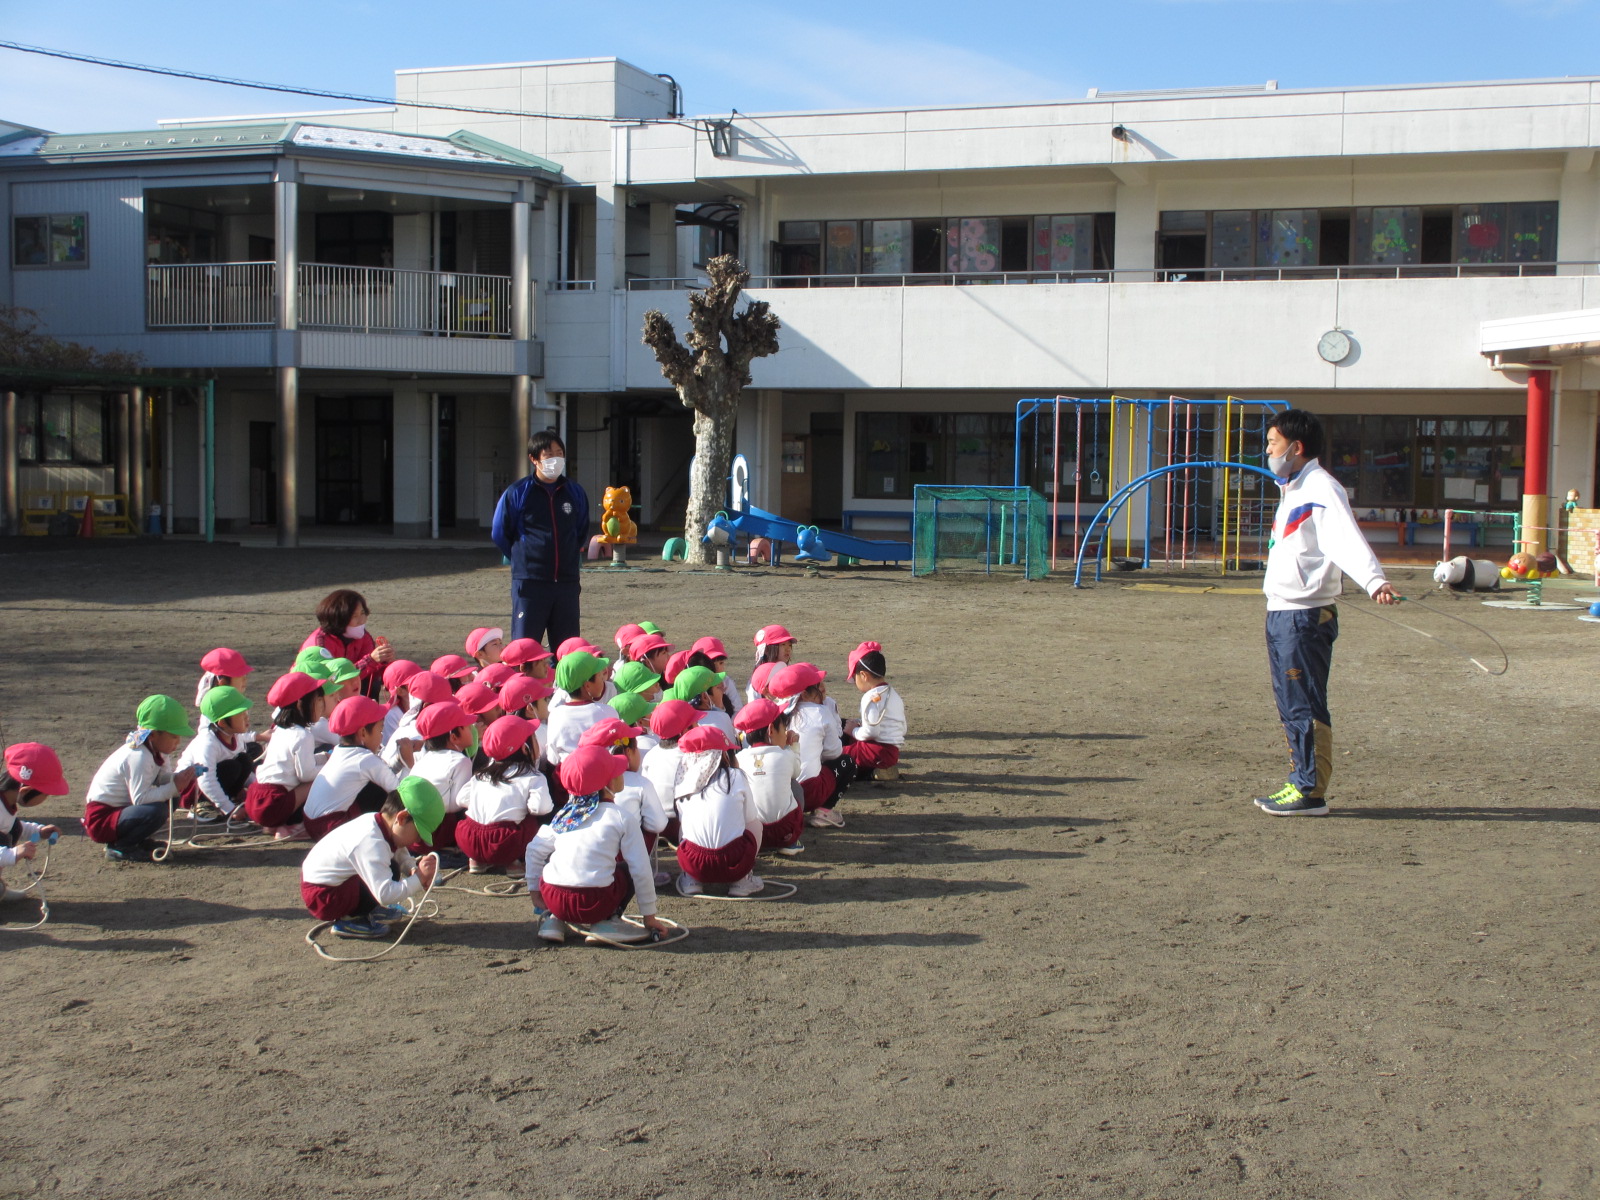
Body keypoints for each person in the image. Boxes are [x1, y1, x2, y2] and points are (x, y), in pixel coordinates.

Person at [1256, 408, 1398, 817]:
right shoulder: (1294, 488)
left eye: (1273, 443)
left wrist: (1374, 581)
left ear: (1296, 447)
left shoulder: (1321, 487)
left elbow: (1344, 539)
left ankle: (1310, 791)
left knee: (1304, 701)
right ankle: (1299, 778)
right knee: (1289, 701)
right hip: (1282, 611)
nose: (1268, 450)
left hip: (1305, 615)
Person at [523, 744, 667, 945]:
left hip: (554, 899)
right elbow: (641, 870)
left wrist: (535, 892)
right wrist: (649, 918)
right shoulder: (621, 817)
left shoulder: (564, 815)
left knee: (557, 866)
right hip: (595, 902)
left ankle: (554, 920)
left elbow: (534, 850)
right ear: (607, 782)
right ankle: (606, 921)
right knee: (626, 870)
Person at [299, 778, 443, 940]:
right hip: (324, 896)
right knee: (386, 872)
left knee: (390, 868)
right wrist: (419, 878)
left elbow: (399, 851)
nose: (417, 841)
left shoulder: (377, 822)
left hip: (327, 885)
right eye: (418, 833)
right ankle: (350, 919)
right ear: (401, 818)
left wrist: (411, 868)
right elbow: (385, 893)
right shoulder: (371, 841)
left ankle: (365, 910)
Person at [491, 429, 590, 654]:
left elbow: (581, 529)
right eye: (549, 455)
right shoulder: (518, 492)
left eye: (560, 453)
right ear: (534, 459)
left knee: (568, 651)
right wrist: (525, 555)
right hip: (530, 583)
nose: (556, 459)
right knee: (525, 650)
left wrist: (568, 554)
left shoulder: (574, 492)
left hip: (566, 583)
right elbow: (500, 533)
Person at [83, 696, 198, 862]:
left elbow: (162, 779)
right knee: (157, 810)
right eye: (173, 736)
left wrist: (180, 778)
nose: (178, 742)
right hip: (102, 820)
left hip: (121, 812)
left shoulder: (156, 751)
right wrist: (174, 786)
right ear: (152, 735)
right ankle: (121, 846)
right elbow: (140, 798)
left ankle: (137, 840)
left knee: (172, 797)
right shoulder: (139, 756)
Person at [672, 725, 764, 897]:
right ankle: (742, 880)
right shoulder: (736, 776)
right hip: (732, 862)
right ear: (721, 754)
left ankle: (691, 879)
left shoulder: (684, 781)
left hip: (694, 862)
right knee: (755, 824)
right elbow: (750, 818)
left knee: (683, 827)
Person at [456, 714, 552, 874]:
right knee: (532, 823)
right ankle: (512, 863)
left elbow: (461, 799)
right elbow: (541, 809)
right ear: (524, 748)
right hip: (505, 844)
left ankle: (478, 861)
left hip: (469, 840)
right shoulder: (532, 777)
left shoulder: (481, 775)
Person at [302, 697, 399, 840]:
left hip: (311, 823)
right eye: (380, 729)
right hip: (330, 827)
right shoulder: (365, 759)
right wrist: (407, 760)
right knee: (384, 794)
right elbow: (399, 790)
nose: (382, 735)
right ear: (363, 733)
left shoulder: (339, 750)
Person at [244, 672, 326, 838]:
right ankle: (295, 827)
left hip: (256, 799)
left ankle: (275, 825)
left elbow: (293, 766)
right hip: (273, 803)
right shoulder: (303, 735)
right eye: (317, 700)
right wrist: (329, 766)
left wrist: (324, 756)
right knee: (318, 781)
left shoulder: (281, 731)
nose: (321, 705)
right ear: (300, 704)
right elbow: (306, 774)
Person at [179, 686, 266, 822]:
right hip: (192, 791)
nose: (246, 718)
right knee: (232, 766)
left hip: (215, 784)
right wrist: (230, 809)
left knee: (244, 760)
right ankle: (200, 806)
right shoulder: (207, 743)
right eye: (241, 715)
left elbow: (246, 770)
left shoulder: (235, 737)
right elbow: (206, 780)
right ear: (222, 722)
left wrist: (258, 789)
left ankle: (226, 798)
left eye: (246, 713)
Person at [733, 699, 805, 856]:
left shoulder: (740, 758)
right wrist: (793, 747)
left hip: (752, 833)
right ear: (771, 730)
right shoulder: (785, 754)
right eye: (784, 728)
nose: (786, 733)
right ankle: (790, 843)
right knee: (795, 786)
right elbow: (797, 772)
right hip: (785, 830)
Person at [1, 743, 67, 900]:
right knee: (3, 838)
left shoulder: (5, 802)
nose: (45, 799)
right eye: (45, 794)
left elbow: (10, 825)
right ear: (26, 790)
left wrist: (38, 832)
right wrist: (13, 854)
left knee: (14, 829)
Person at [302, 589, 393, 700]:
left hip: (345, 691)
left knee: (372, 681)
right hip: (319, 696)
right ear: (339, 618)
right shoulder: (320, 645)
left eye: (363, 613)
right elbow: (330, 679)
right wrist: (371, 660)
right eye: (355, 616)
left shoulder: (363, 637)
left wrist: (384, 662)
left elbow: (372, 671)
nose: (361, 620)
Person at [841, 641, 906, 783]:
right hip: (892, 752)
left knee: (838, 755)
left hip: (876, 750)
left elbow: (872, 732)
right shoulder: (892, 694)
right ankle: (882, 769)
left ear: (863, 675)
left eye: (855, 677)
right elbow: (901, 727)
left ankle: (874, 772)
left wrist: (853, 731)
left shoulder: (870, 697)